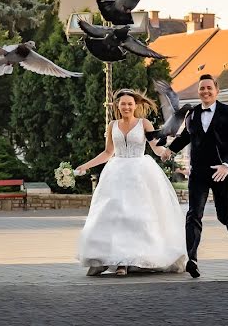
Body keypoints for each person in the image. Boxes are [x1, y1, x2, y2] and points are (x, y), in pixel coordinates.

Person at [74, 88, 187, 277]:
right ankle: (103, 259)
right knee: (112, 215)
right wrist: (85, 166)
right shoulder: (112, 125)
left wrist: (166, 152)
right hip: (116, 171)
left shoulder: (144, 124)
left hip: (139, 172)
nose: (126, 106)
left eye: (130, 104)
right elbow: (108, 153)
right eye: (123, 104)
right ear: (118, 106)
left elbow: (155, 148)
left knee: (135, 217)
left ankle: (125, 262)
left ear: (135, 106)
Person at [160, 73, 228, 278]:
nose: (205, 91)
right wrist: (170, 150)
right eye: (202, 88)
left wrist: (227, 165)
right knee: (194, 214)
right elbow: (185, 136)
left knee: (222, 214)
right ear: (198, 92)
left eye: (209, 88)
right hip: (199, 172)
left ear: (216, 91)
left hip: (222, 172)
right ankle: (192, 259)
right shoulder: (192, 114)